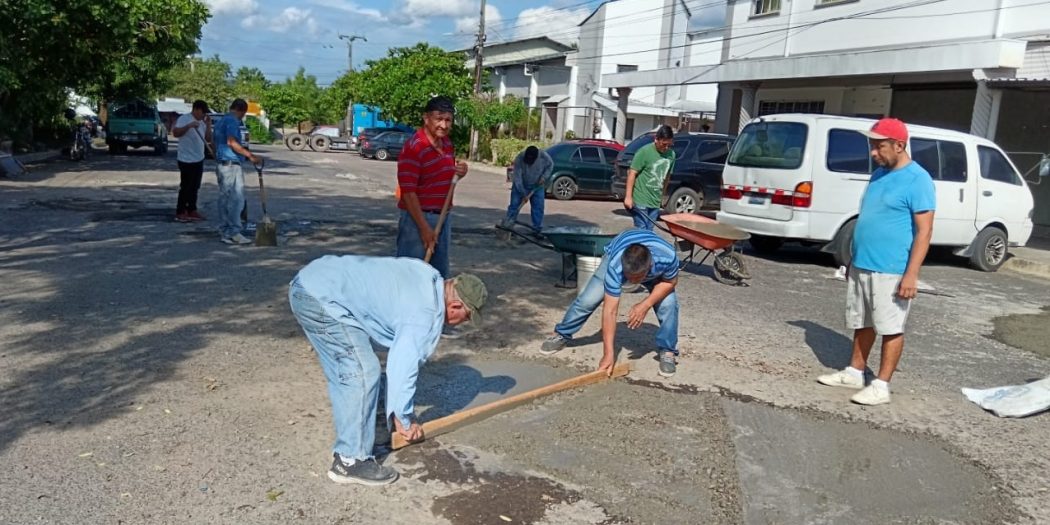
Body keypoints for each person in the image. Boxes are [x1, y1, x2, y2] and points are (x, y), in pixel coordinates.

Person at [288, 255, 487, 485]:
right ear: (455, 306)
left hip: (311, 282)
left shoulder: (428, 276)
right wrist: (404, 418)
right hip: (322, 298)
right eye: (467, 317)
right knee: (363, 372)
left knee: (349, 369)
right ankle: (350, 460)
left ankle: (375, 428)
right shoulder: (425, 315)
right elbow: (402, 368)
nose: (463, 323)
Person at [817, 117, 935, 406]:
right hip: (863, 263)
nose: (873, 153)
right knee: (862, 321)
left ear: (899, 146)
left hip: (891, 268)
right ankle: (855, 372)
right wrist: (853, 258)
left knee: (890, 326)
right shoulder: (879, 174)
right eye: (872, 145)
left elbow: (924, 231)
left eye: (879, 146)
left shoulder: (918, 180)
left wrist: (911, 274)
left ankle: (881, 386)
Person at [540, 229, 681, 377]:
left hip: (656, 269)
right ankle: (562, 333)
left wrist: (645, 304)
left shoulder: (668, 257)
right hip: (618, 250)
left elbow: (670, 282)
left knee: (669, 305)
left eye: (636, 278)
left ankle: (668, 351)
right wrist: (608, 354)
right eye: (628, 277)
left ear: (650, 267)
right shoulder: (616, 265)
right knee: (588, 300)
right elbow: (610, 311)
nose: (631, 282)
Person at [396, 96, 468, 278]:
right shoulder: (414, 148)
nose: (444, 125)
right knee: (411, 274)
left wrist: (459, 173)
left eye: (448, 120)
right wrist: (424, 228)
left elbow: (445, 179)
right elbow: (408, 193)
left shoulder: (447, 144)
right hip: (417, 220)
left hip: (443, 217)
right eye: (439, 119)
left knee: (438, 275)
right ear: (426, 118)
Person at [212, 99, 261, 245]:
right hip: (231, 164)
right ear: (241, 111)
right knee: (236, 199)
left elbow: (214, 143)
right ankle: (233, 232)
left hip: (222, 164)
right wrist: (250, 156)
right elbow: (232, 142)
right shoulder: (233, 121)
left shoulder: (221, 121)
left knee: (225, 199)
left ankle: (225, 230)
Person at [624, 125, 676, 230]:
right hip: (641, 199)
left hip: (655, 201)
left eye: (669, 145)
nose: (666, 148)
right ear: (656, 139)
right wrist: (628, 197)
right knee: (642, 229)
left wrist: (662, 195)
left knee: (650, 230)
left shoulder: (671, 155)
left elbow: (667, 177)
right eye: (664, 144)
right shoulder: (644, 152)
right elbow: (632, 173)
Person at [171, 100, 211, 223]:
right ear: (196, 109)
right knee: (186, 187)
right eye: (203, 112)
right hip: (185, 159)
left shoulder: (202, 122)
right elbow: (175, 133)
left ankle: (192, 209)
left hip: (199, 158)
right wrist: (189, 126)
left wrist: (208, 125)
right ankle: (180, 211)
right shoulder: (184, 119)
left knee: (195, 186)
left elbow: (208, 138)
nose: (204, 115)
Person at [502, 145, 553, 232]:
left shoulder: (544, 157)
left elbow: (550, 166)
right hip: (522, 184)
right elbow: (517, 178)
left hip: (537, 186)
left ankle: (536, 229)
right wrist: (523, 193)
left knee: (538, 208)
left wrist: (544, 177)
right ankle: (508, 226)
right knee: (514, 206)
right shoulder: (520, 158)